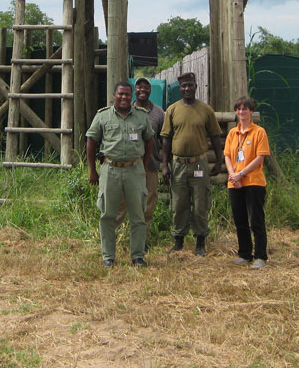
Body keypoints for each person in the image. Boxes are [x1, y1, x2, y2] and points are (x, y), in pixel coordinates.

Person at [87, 81, 155, 268]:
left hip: (135, 170)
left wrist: (144, 163)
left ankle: (138, 256)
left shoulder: (141, 117)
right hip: (111, 170)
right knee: (108, 214)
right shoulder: (103, 116)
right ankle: (108, 256)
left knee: (138, 215)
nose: (124, 97)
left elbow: (149, 140)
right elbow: (91, 141)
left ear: (131, 96)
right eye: (121, 94)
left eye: (127, 94)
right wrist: (92, 170)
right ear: (114, 95)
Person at [160, 72, 224, 256]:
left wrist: (219, 161)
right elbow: (165, 139)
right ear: (179, 89)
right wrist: (165, 165)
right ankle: (178, 242)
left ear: (196, 86)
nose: (187, 89)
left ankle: (200, 243)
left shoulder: (206, 110)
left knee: (200, 203)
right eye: (183, 86)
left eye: (190, 85)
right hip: (178, 164)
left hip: (199, 164)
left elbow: (215, 137)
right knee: (178, 204)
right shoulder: (172, 110)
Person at [116, 77, 164, 250]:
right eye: (139, 87)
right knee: (121, 203)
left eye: (146, 87)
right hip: (128, 166)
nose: (143, 89)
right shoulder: (126, 111)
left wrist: (164, 165)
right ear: (134, 91)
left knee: (148, 205)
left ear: (151, 91)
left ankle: (140, 241)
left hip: (150, 166)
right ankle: (114, 241)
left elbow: (163, 140)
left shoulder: (159, 113)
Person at [223, 95, 271, 269]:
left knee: (256, 219)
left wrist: (241, 173)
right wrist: (232, 175)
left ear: (251, 111)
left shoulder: (259, 132)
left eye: (245, 109)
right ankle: (244, 253)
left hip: (253, 182)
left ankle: (260, 255)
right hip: (234, 182)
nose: (241, 112)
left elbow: (260, 157)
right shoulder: (232, 133)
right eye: (239, 109)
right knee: (240, 219)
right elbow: (227, 155)